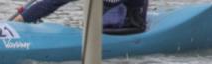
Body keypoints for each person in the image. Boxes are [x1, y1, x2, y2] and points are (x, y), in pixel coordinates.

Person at [13, 0, 148, 34]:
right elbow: (52, 2)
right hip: (101, 29)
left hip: (128, 28)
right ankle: (23, 19)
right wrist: (23, 17)